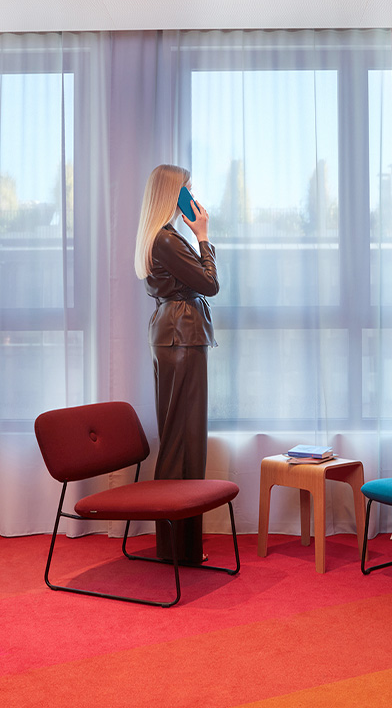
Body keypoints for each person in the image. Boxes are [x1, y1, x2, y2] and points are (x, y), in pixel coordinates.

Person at [134, 164, 218, 564]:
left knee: (180, 440)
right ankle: (175, 549)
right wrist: (204, 237)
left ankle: (179, 547)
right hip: (181, 336)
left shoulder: (162, 237)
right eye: (188, 189)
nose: (193, 196)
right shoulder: (168, 240)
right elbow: (210, 285)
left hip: (173, 334)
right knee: (182, 443)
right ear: (174, 194)